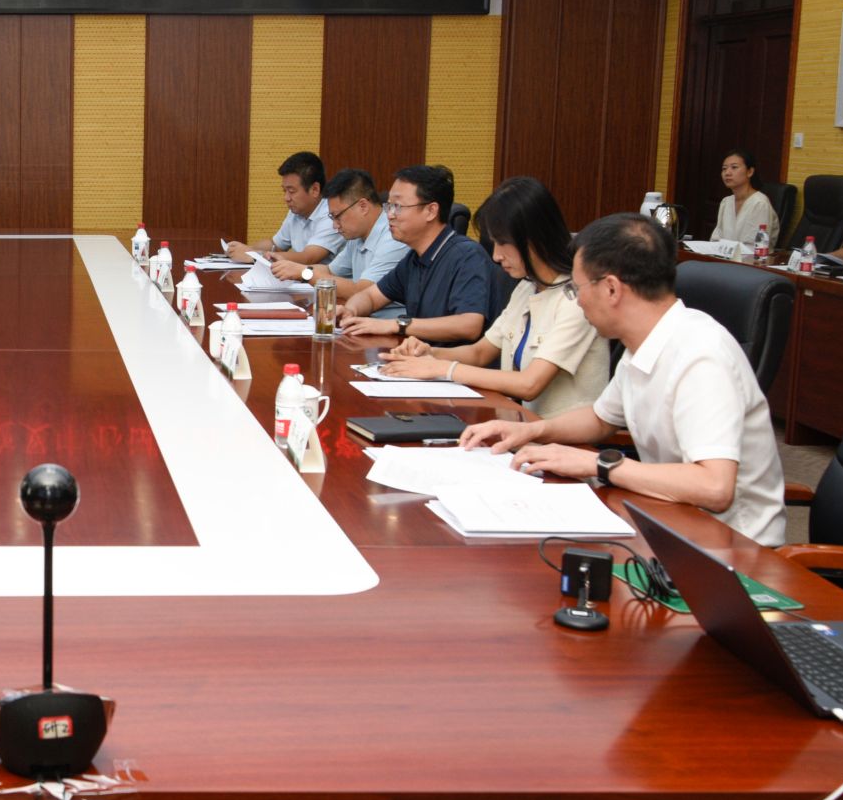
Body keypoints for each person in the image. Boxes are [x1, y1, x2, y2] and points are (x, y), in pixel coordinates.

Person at [460, 212, 785, 547]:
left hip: (737, 550)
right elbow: (600, 418)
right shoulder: (642, 342)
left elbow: (714, 487)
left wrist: (596, 464)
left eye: (577, 288)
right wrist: (531, 431)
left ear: (612, 288)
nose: (577, 300)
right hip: (670, 522)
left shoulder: (701, 354)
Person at [378, 176, 606, 418]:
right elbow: (480, 352)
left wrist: (444, 368)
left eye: (503, 243)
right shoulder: (526, 288)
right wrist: (428, 354)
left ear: (535, 238)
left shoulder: (577, 300)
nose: (496, 256)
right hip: (518, 424)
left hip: (562, 435)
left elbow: (529, 384)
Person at [336, 164, 495, 343]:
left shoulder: (467, 256)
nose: (390, 215)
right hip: (416, 355)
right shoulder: (414, 258)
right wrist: (351, 311)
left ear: (431, 211)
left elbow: (469, 325)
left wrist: (398, 325)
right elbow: (371, 296)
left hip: (447, 359)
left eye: (397, 206)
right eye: (389, 206)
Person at [280, 168, 407, 318]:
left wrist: (304, 273)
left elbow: (362, 291)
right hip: (361, 320)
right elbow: (329, 270)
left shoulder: (393, 236)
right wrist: (290, 269)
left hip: (390, 326)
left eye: (337, 216)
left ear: (363, 206)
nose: (335, 225)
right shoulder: (357, 235)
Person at [226, 151, 342, 265]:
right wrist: (244, 249)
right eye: (284, 190)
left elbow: (308, 258)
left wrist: (254, 255)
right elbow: (275, 245)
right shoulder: (297, 211)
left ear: (315, 189)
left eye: (291, 191)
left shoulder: (332, 215)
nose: (286, 198)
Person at [712, 149, 777, 246]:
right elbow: (716, 238)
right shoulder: (726, 202)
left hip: (750, 255)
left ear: (750, 172)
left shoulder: (760, 203)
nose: (727, 173)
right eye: (724, 168)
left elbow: (757, 245)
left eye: (734, 167)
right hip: (723, 254)